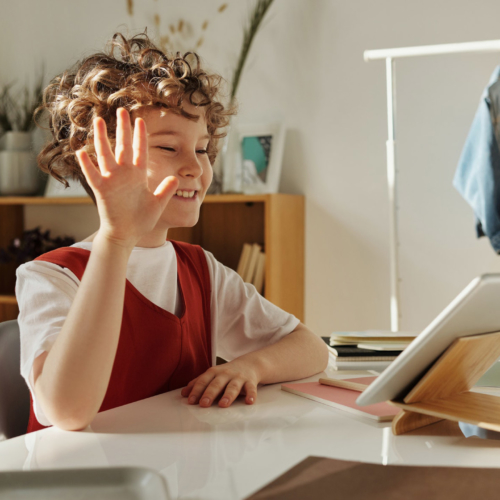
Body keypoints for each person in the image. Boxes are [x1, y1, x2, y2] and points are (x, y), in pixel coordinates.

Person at [16, 32, 328, 433]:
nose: (196, 169)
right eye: (168, 148)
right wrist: (116, 238)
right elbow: (68, 411)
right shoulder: (49, 278)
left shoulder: (200, 270)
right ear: (99, 162)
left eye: (201, 149)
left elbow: (311, 349)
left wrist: (251, 365)